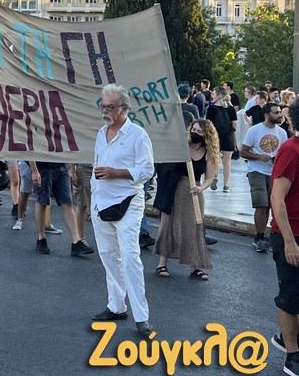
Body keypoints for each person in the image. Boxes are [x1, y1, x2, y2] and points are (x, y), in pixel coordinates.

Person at [90, 84, 155, 336]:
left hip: (128, 202)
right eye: (102, 106)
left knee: (129, 257)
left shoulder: (138, 135)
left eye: (110, 107)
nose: (104, 111)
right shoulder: (101, 133)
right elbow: (97, 166)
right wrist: (94, 200)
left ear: (124, 109)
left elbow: (147, 169)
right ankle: (116, 306)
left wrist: (116, 173)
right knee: (108, 255)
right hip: (101, 203)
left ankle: (142, 316)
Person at [154, 119, 219, 280]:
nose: (195, 133)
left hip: (193, 192)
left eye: (199, 131)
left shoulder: (209, 153)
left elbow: (209, 178)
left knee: (194, 228)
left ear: (206, 134)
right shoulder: (181, 146)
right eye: (193, 130)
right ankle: (162, 264)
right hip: (173, 189)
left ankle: (195, 267)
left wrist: (201, 188)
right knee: (168, 225)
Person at [269, 98, 299, 376]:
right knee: (290, 296)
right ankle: (292, 355)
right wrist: (290, 242)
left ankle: (285, 336)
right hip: (291, 235)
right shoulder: (291, 150)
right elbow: (277, 199)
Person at [241, 102, 287, 253]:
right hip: (256, 171)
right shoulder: (254, 130)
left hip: (274, 173)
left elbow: (283, 153)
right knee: (261, 204)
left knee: (273, 204)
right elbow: (243, 152)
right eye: (276, 113)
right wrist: (259, 156)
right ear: (267, 115)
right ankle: (259, 237)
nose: (279, 115)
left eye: (280, 112)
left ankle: (273, 236)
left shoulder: (282, 133)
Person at [206, 86, 237, 192]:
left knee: (215, 159)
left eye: (213, 94)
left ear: (218, 95)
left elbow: (208, 124)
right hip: (228, 136)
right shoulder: (231, 108)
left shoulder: (211, 108)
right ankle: (226, 185)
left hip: (215, 136)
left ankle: (214, 176)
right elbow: (235, 124)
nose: (212, 96)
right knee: (227, 162)